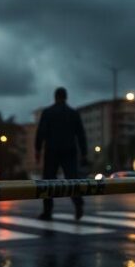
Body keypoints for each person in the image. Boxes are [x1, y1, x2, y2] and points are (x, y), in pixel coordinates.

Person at [35, 87, 87, 220]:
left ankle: (47, 210)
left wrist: (38, 150)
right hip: (69, 150)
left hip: (52, 150)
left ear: (55, 97)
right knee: (72, 179)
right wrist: (84, 153)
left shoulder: (48, 112)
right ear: (66, 97)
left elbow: (41, 132)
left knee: (48, 181)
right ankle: (78, 203)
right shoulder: (73, 113)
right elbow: (81, 135)